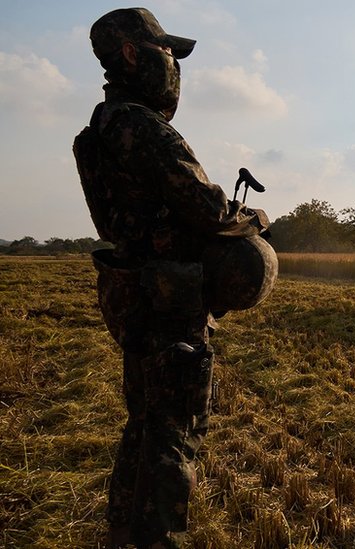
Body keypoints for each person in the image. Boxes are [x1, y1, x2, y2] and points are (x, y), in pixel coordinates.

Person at [73, 8, 272, 548]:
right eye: (166, 53)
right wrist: (254, 219)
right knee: (175, 423)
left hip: (131, 295)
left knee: (143, 416)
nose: (173, 65)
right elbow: (208, 208)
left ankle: (122, 530)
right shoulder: (143, 127)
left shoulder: (96, 132)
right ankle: (154, 536)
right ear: (134, 55)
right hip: (168, 303)